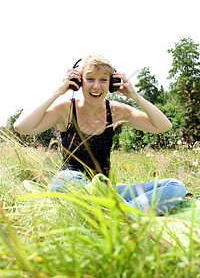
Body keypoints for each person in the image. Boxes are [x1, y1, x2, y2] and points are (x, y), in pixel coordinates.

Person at [14, 55, 186, 215]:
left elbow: (163, 126)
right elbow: (22, 126)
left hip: (107, 189)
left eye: (103, 80)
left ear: (111, 84)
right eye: (89, 79)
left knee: (175, 186)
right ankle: (121, 211)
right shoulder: (66, 110)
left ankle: (121, 214)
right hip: (71, 185)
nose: (96, 86)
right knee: (66, 177)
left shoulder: (116, 111)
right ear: (78, 81)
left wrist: (134, 95)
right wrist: (58, 91)